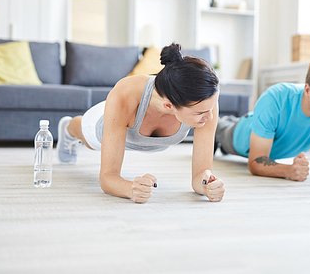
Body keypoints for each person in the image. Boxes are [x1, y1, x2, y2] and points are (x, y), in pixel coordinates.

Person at [57, 43, 225, 203]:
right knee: (87, 138)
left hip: (132, 123)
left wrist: (206, 185)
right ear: (169, 106)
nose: (210, 117)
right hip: (103, 122)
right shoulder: (126, 93)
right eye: (201, 113)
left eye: (210, 109)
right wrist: (130, 189)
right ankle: (67, 128)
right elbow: (107, 177)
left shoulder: (205, 102)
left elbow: (199, 177)